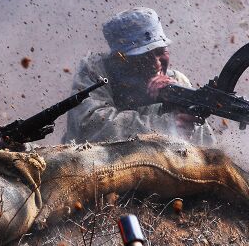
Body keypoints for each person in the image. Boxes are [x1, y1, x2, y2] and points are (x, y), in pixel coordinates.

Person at [63, 7, 214, 145]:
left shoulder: (177, 81)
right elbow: (91, 125)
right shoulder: (95, 73)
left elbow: (206, 145)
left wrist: (177, 101)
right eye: (144, 57)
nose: (156, 64)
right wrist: (164, 126)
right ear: (121, 60)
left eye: (161, 52)